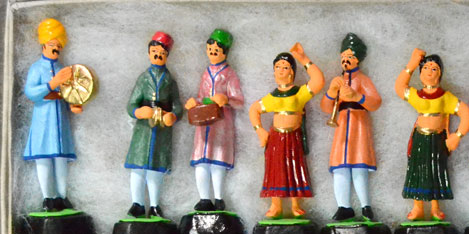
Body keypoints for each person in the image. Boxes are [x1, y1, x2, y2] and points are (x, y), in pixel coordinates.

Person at [395, 49, 469, 221]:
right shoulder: (417, 96)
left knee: (435, 170)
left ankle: (435, 208)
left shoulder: (445, 97)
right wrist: (412, 64)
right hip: (419, 138)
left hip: (437, 140)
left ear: (440, 74)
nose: (429, 72)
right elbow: (399, 87)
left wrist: (457, 135)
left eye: (434, 68)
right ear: (420, 73)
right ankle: (417, 207)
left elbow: (467, 114)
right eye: (425, 68)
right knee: (417, 171)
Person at [250, 43, 324, 219]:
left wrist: (303, 59)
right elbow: (254, 109)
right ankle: (275, 205)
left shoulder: (299, 93)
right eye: (277, 67)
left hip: (293, 137)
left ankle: (295, 204)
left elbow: (318, 81)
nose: (281, 70)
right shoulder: (272, 97)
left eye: (285, 67)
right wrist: (259, 130)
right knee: (276, 170)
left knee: (294, 168)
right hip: (276, 138)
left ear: (292, 72)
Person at [24, 19, 85, 212]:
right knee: (43, 158)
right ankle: (48, 198)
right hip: (43, 121)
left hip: (60, 123)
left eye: (59, 46)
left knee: (61, 159)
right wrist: (52, 84)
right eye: (53, 45)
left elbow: (68, 92)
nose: (56, 49)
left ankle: (62, 196)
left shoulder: (62, 69)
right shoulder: (36, 68)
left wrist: (73, 104)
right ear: (44, 44)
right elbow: (30, 92)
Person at [321, 33, 382, 221]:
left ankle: (365, 206)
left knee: (359, 165)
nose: (345, 60)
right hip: (342, 126)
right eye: (343, 57)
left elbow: (375, 102)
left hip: (359, 125)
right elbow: (326, 108)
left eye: (349, 57)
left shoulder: (362, 79)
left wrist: (357, 97)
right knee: (340, 167)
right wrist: (331, 92)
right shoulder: (337, 80)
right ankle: (344, 206)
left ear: (357, 60)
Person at [124, 32, 183, 219]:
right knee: (138, 168)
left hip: (162, 130)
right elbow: (131, 104)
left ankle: (155, 205)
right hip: (143, 130)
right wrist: (138, 112)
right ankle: (137, 204)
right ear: (149, 53)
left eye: (162, 53)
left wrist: (173, 115)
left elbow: (177, 106)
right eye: (154, 52)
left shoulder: (170, 81)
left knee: (156, 170)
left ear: (167, 56)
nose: (158, 55)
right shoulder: (143, 79)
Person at [185, 29, 244, 212]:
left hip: (221, 123)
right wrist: (195, 102)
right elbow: (202, 95)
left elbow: (239, 101)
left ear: (225, 53)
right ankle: (204, 199)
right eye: (210, 50)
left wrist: (226, 99)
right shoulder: (206, 72)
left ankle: (219, 198)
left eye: (216, 51)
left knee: (218, 159)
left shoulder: (229, 74)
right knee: (202, 160)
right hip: (203, 123)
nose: (212, 53)